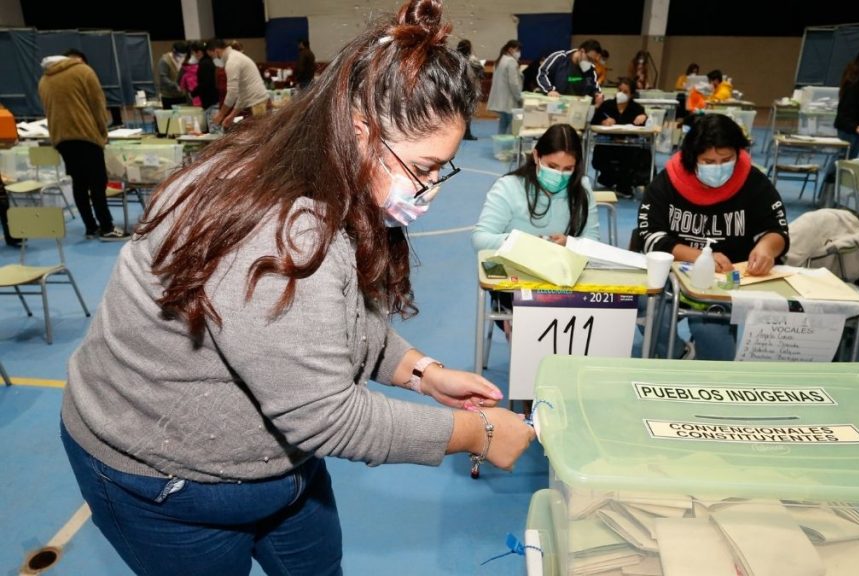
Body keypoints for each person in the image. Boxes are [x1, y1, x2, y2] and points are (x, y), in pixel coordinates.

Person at [59, 2, 536, 573]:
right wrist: (474, 432)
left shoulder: (316, 172)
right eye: (425, 167)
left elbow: (329, 319)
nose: (431, 190)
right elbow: (326, 415)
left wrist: (421, 371)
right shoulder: (276, 230)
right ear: (362, 132)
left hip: (278, 464)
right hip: (167, 480)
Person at [637, 114, 789, 360]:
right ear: (691, 159)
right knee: (646, 304)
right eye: (708, 161)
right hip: (674, 276)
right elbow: (651, 236)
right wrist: (701, 257)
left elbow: (776, 230)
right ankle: (677, 353)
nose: (718, 168)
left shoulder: (753, 182)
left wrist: (766, 249)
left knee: (716, 355)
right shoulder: (668, 182)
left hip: (727, 284)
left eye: (726, 160)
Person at [473, 123, 599, 336]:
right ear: (536, 156)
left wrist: (570, 243)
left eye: (568, 169)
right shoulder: (509, 187)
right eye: (552, 165)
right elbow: (480, 239)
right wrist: (523, 243)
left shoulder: (582, 188)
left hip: (561, 277)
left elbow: (592, 240)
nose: (560, 175)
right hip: (513, 278)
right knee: (534, 319)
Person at [38, 49, 127, 241]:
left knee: (79, 183)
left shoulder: (44, 80)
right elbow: (97, 104)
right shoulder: (83, 72)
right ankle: (107, 226)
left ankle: (90, 227)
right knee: (97, 182)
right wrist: (102, 132)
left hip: (61, 139)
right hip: (86, 136)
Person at [591, 78, 650, 197]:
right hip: (607, 145)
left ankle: (625, 185)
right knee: (604, 154)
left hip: (629, 145)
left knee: (639, 154)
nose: (621, 94)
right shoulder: (607, 105)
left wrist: (644, 118)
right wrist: (603, 122)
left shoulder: (637, 108)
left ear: (631, 94)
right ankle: (609, 178)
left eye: (625, 92)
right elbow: (593, 122)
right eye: (619, 90)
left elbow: (645, 127)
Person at [210, 38, 270, 128]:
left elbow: (232, 93)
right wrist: (232, 115)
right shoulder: (235, 57)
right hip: (259, 102)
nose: (214, 59)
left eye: (212, 56)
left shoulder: (232, 61)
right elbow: (242, 93)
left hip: (258, 105)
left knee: (261, 139)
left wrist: (221, 114)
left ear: (216, 51)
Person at [536, 39, 605, 104]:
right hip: (555, 104)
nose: (591, 63)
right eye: (589, 59)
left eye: (594, 61)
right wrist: (550, 90)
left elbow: (593, 85)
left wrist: (597, 94)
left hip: (576, 106)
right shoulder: (560, 58)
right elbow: (542, 74)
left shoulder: (590, 69)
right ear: (582, 51)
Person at [487, 40, 523, 135]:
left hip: (501, 99)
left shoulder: (500, 60)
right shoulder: (511, 62)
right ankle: (506, 148)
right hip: (509, 100)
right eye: (517, 50)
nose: (519, 53)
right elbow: (514, 83)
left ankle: (501, 148)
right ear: (510, 49)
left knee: (503, 124)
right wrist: (519, 98)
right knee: (511, 126)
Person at [456, 39, 484, 140]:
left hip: (456, 89)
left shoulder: (454, 58)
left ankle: (457, 134)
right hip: (470, 89)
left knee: (458, 113)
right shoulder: (473, 60)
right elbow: (481, 74)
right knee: (468, 113)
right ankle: (466, 133)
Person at [192, 40, 220, 132]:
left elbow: (205, 83)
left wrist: (193, 93)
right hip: (214, 100)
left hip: (211, 102)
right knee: (215, 130)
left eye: (194, 53)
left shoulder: (204, 64)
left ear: (199, 52)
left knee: (214, 131)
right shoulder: (210, 62)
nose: (194, 56)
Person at [158, 41, 190, 109]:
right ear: (173, 51)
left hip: (182, 95)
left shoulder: (185, 60)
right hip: (168, 96)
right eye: (179, 56)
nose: (181, 58)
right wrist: (175, 85)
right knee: (171, 118)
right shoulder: (165, 60)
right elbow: (163, 77)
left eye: (184, 56)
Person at [177, 42, 202, 107]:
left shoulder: (184, 66)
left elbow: (179, 82)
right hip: (199, 95)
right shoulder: (202, 64)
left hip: (191, 95)